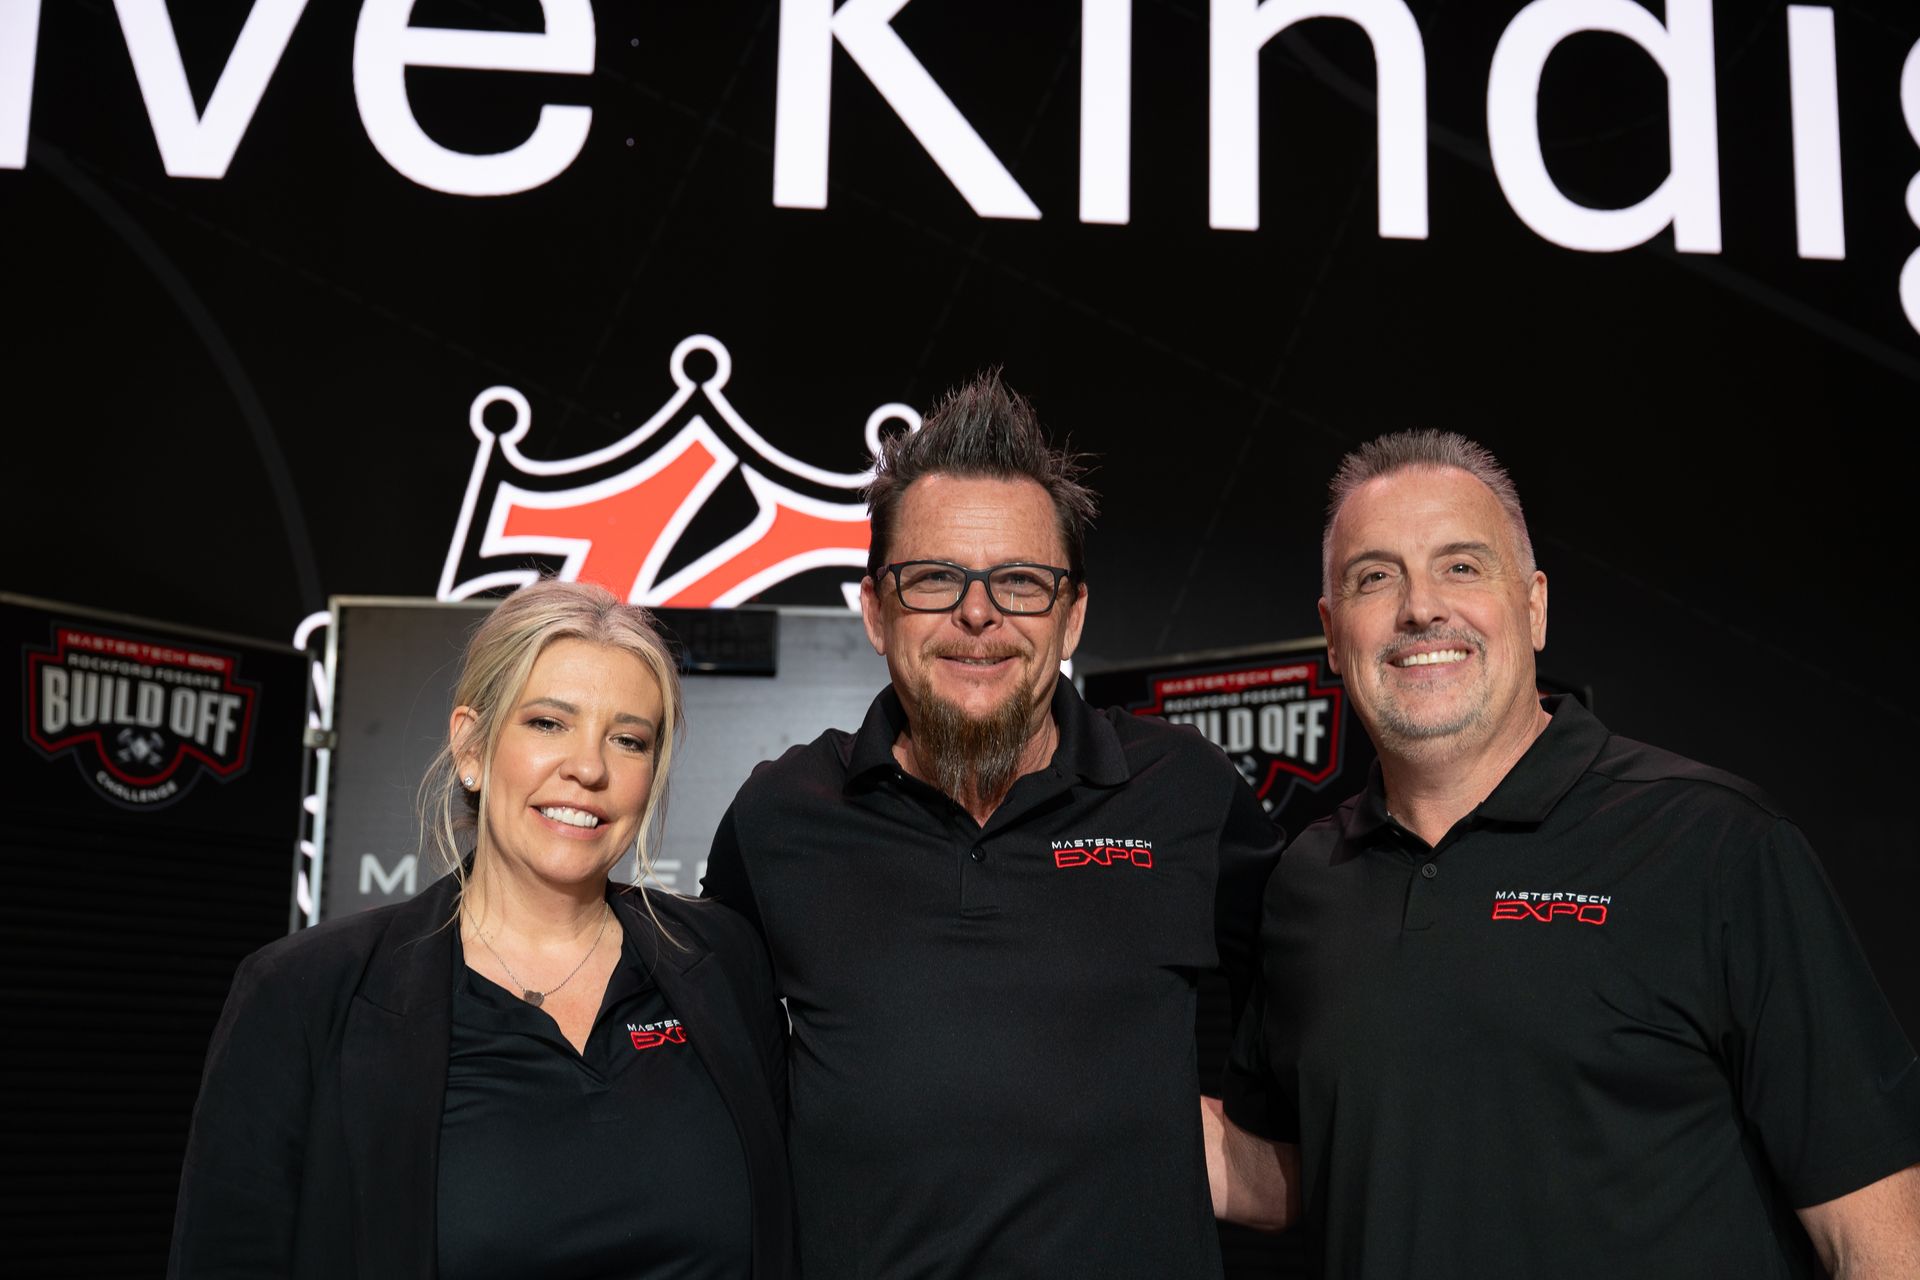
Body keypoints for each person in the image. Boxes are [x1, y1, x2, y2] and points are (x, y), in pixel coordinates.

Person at [1208, 430, 1920, 1277]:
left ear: (1535, 605)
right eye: (1375, 577)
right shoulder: (1306, 886)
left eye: (1462, 566)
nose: (1421, 608)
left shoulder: (1715, 844)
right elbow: (1311, 1169)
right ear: (1332, 633)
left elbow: (1878, 1236)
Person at [701, 372, 1283, 1279]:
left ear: (1073, 612)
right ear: (875, 611)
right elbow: (699, 1091)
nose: (979, 614)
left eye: (1020, 581)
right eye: (934, 580)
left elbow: (1337, 1007)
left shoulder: (1186, 793)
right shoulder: (782, 816)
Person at [169, 579, 794, 1279]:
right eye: (548, 723)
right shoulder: (304, 995)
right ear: (471, 745)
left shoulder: (723, 962)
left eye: (628, 739)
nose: (588, 768)